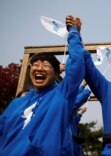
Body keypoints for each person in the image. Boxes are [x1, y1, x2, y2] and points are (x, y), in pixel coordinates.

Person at [0, 15, 85, 155]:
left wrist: (74, 33)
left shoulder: (61, 95)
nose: (39, 68)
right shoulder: (16, 103)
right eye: (35, 65)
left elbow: (76, 64)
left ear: (57, 73)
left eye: (45, 65)